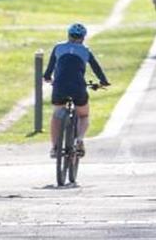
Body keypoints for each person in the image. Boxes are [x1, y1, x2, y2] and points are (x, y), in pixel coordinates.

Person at [43, 23, 109, 159]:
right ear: (83, 38)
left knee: (56, 115)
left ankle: (55, 147)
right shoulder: (86, 50)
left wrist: (48, 78)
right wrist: (103, 82)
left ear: (68, 35)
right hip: (78, 87)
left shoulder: (58, 47)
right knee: (83, 115)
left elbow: (49, 70)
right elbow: (97, 69)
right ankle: (79, 140)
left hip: (60, 87)